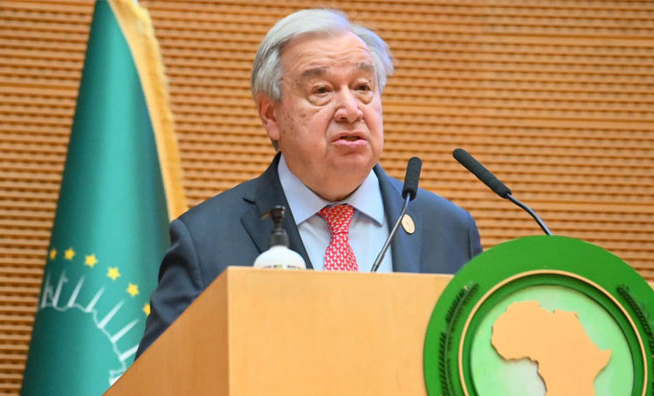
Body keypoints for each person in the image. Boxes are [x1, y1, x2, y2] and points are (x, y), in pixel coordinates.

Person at [137, 8, 481, 356]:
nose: (350, 109)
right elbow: (156, 394)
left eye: (363, 87)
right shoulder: (206, 241)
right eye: (321, 90)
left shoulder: (449, 230)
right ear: (271, 114)